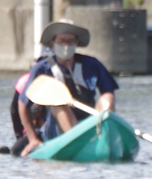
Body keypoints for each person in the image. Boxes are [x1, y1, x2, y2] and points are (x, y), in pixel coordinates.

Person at [7, 20, 118, 156]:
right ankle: (77, 143)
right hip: (54, 127)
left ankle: (106, 138)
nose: (66, 45)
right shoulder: (41, 69)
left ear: (76, 43)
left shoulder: (92, 64)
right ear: (53, 43)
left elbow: (108, 91)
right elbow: (22, 104)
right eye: (62, 41)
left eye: (70, 41)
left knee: (108, 97)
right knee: (59, 104)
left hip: (89, 123)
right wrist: (32, 139)